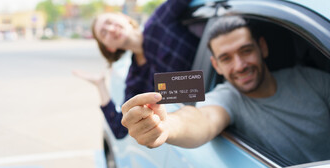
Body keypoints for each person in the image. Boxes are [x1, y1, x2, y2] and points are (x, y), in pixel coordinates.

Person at [121, 15, 330, 165]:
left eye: (246, 51)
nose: (239, 65)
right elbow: (201, 119)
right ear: (216, 65)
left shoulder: (311, 79)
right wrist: (167, 127)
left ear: (263, 48)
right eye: (226, 58)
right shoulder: (227, 98)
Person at [73, 0, 205, 139]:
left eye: (111, 21)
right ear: (109, 47)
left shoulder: (159, 20)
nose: (111, 29)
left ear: (125, 19)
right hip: (193, 124)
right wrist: (101, 85)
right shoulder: (135, 78)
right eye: (104, 33)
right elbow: (121, 129)